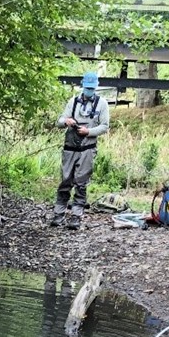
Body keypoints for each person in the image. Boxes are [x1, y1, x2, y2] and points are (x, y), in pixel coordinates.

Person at [50, 71, 110, 230]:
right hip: (70, 147)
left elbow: (105, 126)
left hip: (88, 149)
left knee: (81, 183)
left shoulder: (102, 104)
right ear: (83, 86)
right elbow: (60, 121)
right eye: (87, 87)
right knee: (65, 181)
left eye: (91, 88)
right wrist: (67, 121)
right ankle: (59, 213)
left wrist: (88, 132)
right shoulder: (73, 101)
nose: (89, 90)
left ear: (95, 87)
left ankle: (76, 215)